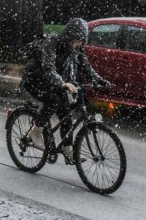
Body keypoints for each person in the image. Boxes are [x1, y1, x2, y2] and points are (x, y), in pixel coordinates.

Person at [20, 18, 110, 164]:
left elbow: (85, 66)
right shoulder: (52, 43)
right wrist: (62, 83)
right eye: (76, 40)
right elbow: (48, 68)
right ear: (69, 35)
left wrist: (98, 80)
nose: (79, 44)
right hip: (35, 79)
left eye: (81, 41)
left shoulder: (75, 48)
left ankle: (68, 150)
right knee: (53, 101)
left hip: (54, 82)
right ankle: (35, 133)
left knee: (66, 113)